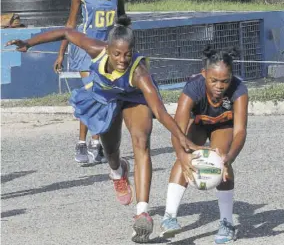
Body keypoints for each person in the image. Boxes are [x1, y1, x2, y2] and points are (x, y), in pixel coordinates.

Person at [6, 15, 203, 243]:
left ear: (133, 52)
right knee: (111, 150)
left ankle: (142, 213)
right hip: (106, 98)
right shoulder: (96, 49)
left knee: (141, 141)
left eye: (127, 54)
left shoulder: (140, 74)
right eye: (117, 54)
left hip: (134, 98)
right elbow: (66, 33)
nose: (122, 59)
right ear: (108, 48)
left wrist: (182, 137)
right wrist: (28, 43)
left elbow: (160, 112)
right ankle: (118, 171)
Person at [160, 46, 248, 244]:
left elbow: (240, 131)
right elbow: (177, 130)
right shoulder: (193, 88)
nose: (219, 86)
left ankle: (226, 223)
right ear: (204, 74)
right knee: (184, 156)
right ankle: (169, 217)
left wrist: (229, 159)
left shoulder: (239, 90)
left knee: (222, 160)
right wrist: (184, 157)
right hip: (198, 124)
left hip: (223, 125)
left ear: (231, 77)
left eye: (224, 81)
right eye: (213, 80)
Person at [54, 0, 126, 164]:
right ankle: (82, 143)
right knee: (94, 92)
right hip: (85, 50)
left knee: (104, 97)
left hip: (107, 52)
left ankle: (96, 143)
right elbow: (71, 24)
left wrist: (126, 46)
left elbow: (122, 19)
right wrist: (61, 52)